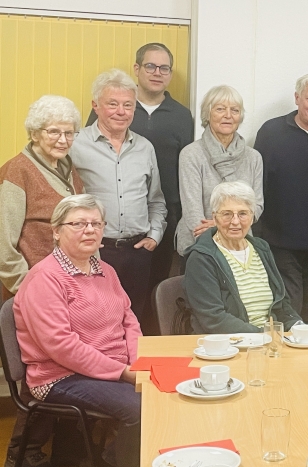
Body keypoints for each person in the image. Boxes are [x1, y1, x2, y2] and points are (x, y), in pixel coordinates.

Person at [13, 194, 142, 467]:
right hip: (60, 376)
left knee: (170, 391)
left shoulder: (106, 270)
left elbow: (128, 319)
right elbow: (62, 347)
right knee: (140, 407)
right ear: (56, 231)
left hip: (111, 368)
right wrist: (123, 372)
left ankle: (109, 459)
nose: (90, 230)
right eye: (79, 223)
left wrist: (139, 360)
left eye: (96, 223)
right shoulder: (45, 278)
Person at [0, 95, 84, 467]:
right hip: (35, 293)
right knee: (44, 372)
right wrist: (29, 292)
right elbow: (3, 244)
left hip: (70, 289)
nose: (62, 139)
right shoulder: (16, 171)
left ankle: (67, 451)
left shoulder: (68, 168)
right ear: (35, 133)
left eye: (69, 132)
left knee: (70, 367)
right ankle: (23, 453)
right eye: (53, 132)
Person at [87, 43, 194, 321]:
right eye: (150, 66)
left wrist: (156, 232)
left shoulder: (178, 119)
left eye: (164, 68)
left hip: (152, 231)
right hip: (98, 241)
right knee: (97, 312)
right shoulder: (83, 139)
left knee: (145, 306)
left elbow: (172, 182)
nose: (121, 111)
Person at [70, 69, 167, 328]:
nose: (121, 112)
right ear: (95, 106)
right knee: (95, 323)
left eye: (128, 105)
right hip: (95, 252)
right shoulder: (75, 145)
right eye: (112, 104)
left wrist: (154, 235)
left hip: (138, 253)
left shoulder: (145, 147)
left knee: (134, 322)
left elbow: (156, 199)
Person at [254, 73, 308, 329]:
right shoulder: (270, 132)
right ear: (297, 98)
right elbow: (258, 184)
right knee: (288, 312)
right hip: (280, 241)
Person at [183, 182, 303, 333]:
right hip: (228, 343)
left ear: (252, 217)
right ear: (215, 217)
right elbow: (213, 319)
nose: (235, 221)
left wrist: (298, 327)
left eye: (243, 214)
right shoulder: (201, 258)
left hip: (269, 339)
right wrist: (264, 336)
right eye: (227, 214)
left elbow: (282, 305)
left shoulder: (261, 248)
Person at [175, 85, 263, 263]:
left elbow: (257, 206)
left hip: (241, 247)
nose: (228, 115)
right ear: (207, 114)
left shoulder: (253, 157)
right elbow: (193, 211)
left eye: (234, 110)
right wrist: (220, 234)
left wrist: (221, 224)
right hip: (199, 246)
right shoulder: (191, 154)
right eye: (220, 109)